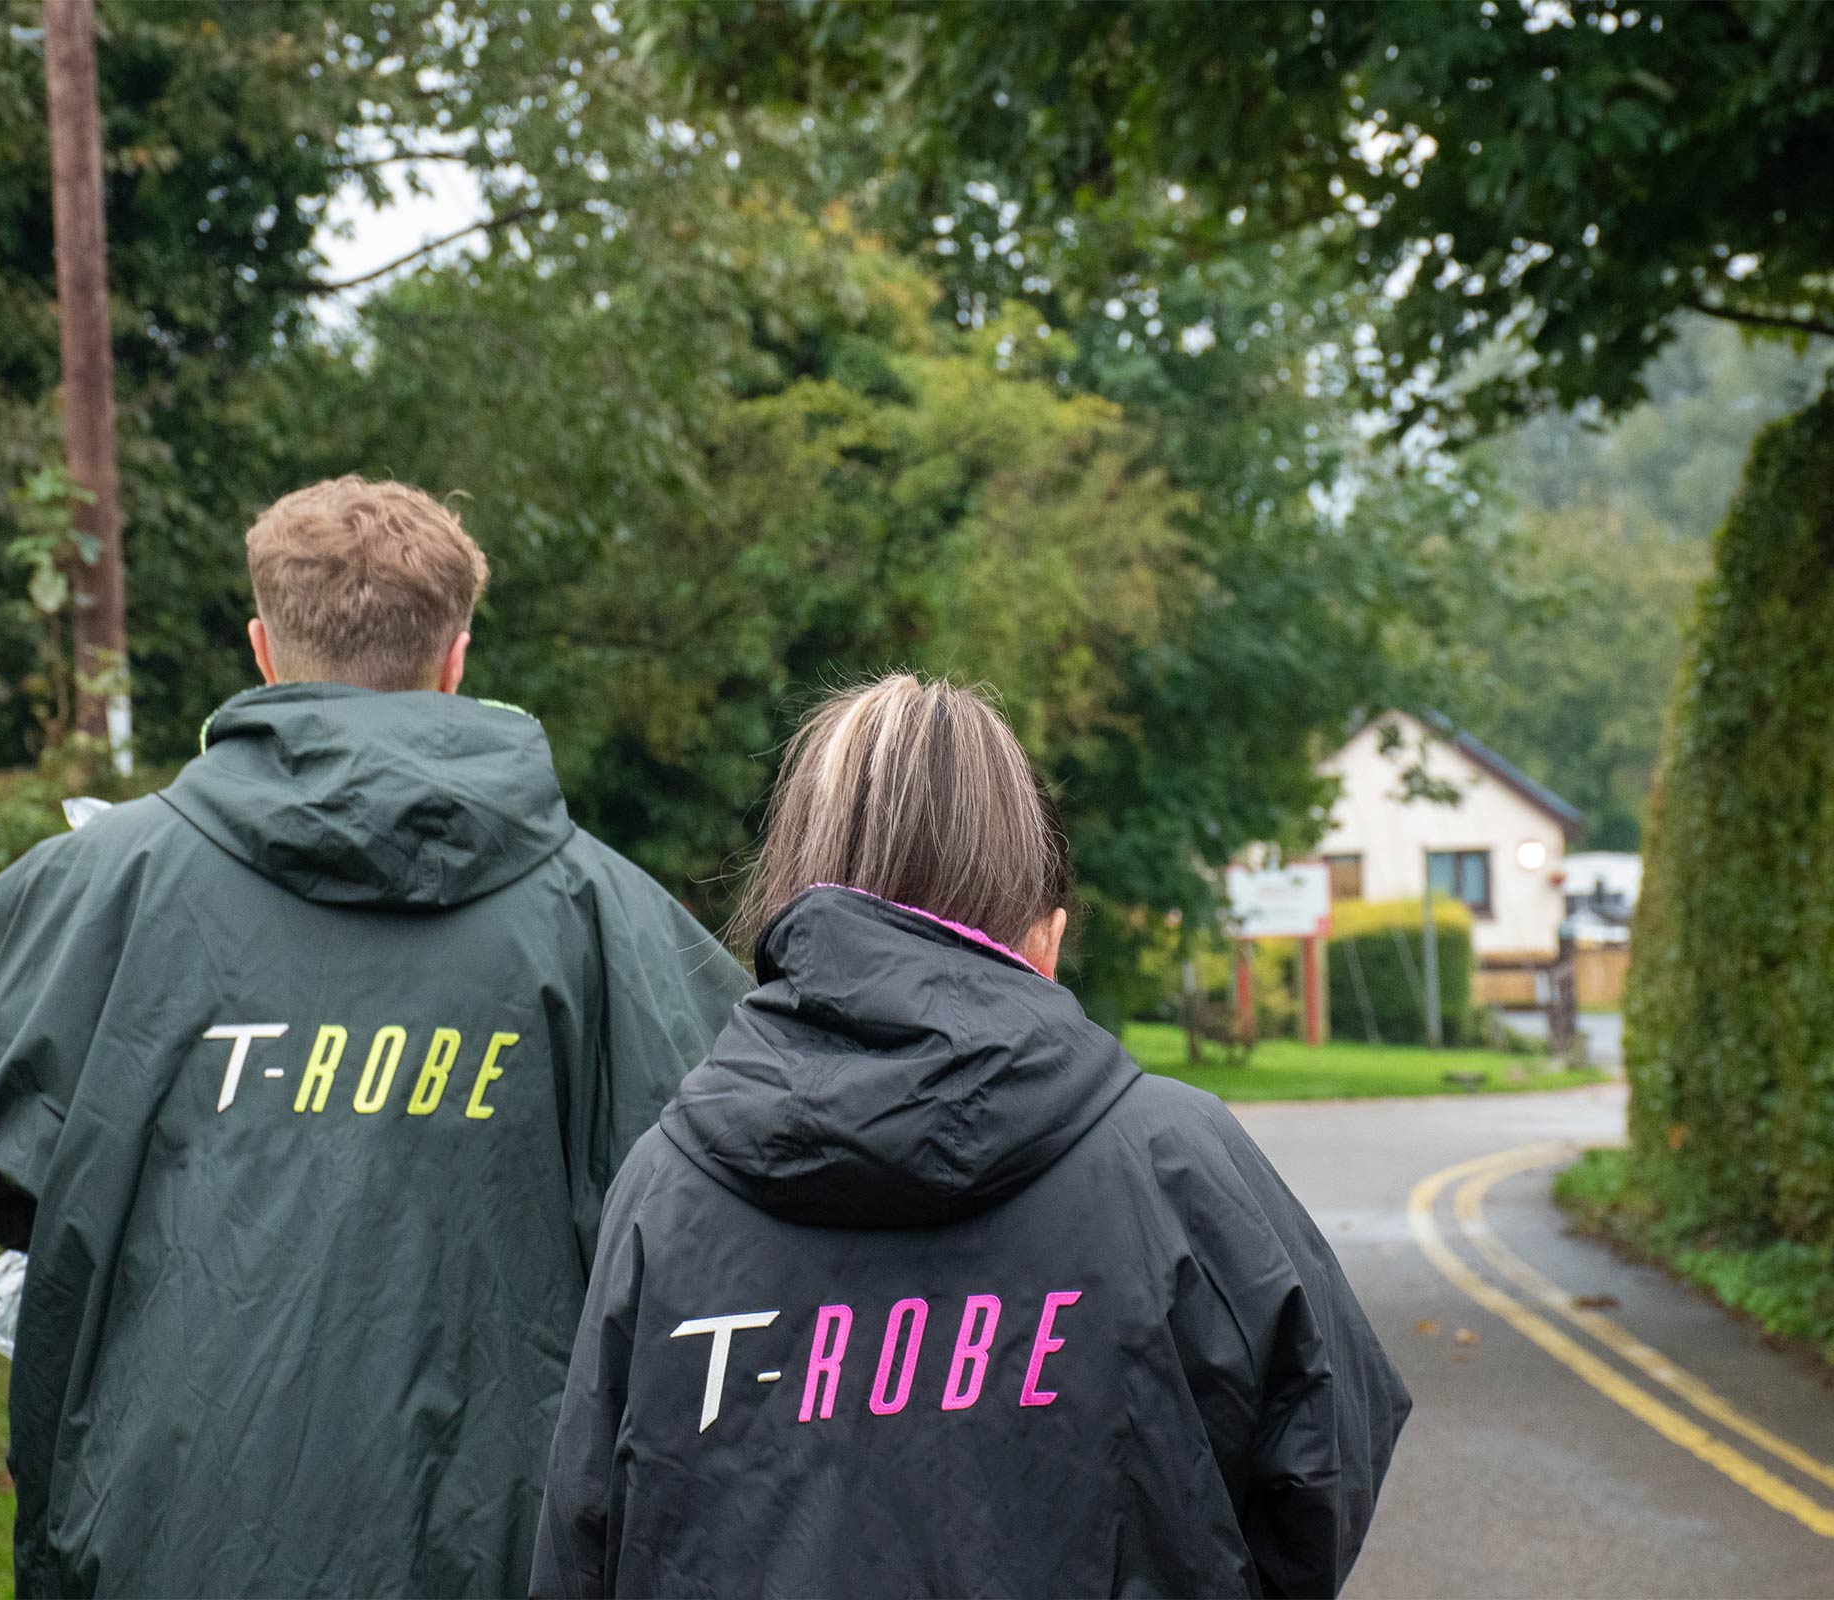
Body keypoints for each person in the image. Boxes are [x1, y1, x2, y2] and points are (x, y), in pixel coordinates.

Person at [0, 476, 749, 1598]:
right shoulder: (617, 926)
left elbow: (0, 1177)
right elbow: (702, 1237)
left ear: (262, 648)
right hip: (497, 1546)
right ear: (457, 659)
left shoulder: (82, 896)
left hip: (153, 1536)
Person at [534, 675, 1410, 1599]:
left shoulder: (666, 1190)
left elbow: (582, 1537)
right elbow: (1324, 1467)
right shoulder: (1181, 1165)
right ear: (1045, 940)